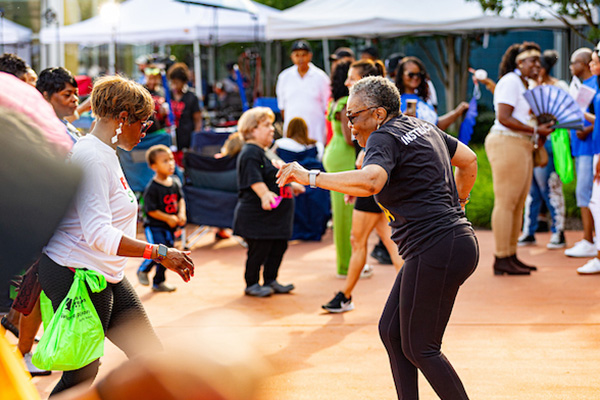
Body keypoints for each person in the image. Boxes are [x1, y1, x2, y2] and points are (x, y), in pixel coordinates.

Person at [277, 76, 479, 399]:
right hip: (452, 242)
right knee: (393, 332)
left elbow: (372, 181)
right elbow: (469, 160)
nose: (349, 124)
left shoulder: (382, 139)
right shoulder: (421, 127)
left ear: (379, 114)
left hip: (437, 247)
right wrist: (459, 202)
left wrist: (310, 176)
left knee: (421, 346)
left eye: (354, 116)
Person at [38, 75, 194, 396]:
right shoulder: (93, 156)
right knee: (82, 374)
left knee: (150, 357)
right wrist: (161, 253)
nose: (145, 131)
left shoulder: (106, 152)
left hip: (104, 272)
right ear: (122, 118)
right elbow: (99, 234)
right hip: (75, 273)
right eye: (144, 123)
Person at [322, 59, 404, 313]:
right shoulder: (381, 118)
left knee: (359, 239)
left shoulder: (374, 122)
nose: (347, 82)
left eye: (352, 78)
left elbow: (367, 151)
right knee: (390, 242)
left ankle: (345, 295)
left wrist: (353, 184)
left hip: (373, 182)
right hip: (374, 181)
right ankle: (411, 292)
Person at [485, 42, 554, 275]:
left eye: (539, 60)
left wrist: (540, 130)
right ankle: (501, 257)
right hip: (506, 142)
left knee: (517, 203)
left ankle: (511, 255)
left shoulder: (527, 84)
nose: (537, 64)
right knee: (507, 202)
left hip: (521, 145)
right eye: (532, 60)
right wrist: (536, 131)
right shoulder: (511, 81)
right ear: (519, 63)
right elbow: (503, 117)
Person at [233, 107, 299, 297]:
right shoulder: (250, 152)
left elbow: (275, 175)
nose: (272, 129)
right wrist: (264, 194)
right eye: (267, 125)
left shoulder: (267, 152)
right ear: (252, 129)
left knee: (278, 247)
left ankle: (271, 279)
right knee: (259, 250)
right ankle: (252, 282)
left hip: (277, 218)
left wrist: (293, 185)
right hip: (258, 217)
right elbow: (254, 178)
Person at [518, 49, 568, 249]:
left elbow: (566, 114)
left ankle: (558, 231)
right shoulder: (528, 85)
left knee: (550, 185)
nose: (535, 70)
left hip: (551, 141)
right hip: (531, 141)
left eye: (538, 66)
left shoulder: (559, 86)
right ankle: (529, 232)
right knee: (532, 190)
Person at [137, 145, 186, 292]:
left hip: (169, 228)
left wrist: (181, 214)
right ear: (154, 166)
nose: (170, 163)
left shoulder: (175, 181)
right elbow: (150, 210)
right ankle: (143, 269)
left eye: (171, 159)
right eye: (165, 161)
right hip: (154, 226)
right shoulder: (152, 188)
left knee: (167, 254)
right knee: (160, 251)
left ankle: (159, 282)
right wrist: (168, 218)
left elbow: (181, 199)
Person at [322, 60, 356, 280]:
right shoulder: (345, 102)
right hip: (343, 155)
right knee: (345, 216)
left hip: (334, 153)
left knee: (343, 215)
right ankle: (346, 266)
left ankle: (349, 263)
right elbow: (349, 138)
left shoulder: (336, 100)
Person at [565, 48, 597, 258]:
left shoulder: (595, 85)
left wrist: (586, 129)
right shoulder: (583, 86)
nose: (570, 67)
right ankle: (590, 239)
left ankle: (589, 240)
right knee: (586, 194)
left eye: (574, 62)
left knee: (585, 194)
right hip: (581, 147)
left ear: (585, 63)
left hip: (590, 147)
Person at [276, 40, 331, 145]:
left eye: (304, 55)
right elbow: (282, 108)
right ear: (292, 56)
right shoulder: (284, 77)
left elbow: (327, 107)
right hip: (292, 132)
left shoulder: (321, 77)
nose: (300, 58)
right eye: (297, 55)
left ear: (310, 55)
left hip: (315, 131)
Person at [394, 56, 469, 130]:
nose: (415, 77)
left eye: (419, 74)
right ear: (401, 75)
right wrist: (402, 121)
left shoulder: (424, 99)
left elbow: (436, 126)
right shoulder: (396, 102)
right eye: (411, 74)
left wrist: (457, 112)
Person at [576, 46, 600, 274]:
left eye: (594, 61)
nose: (592, 66)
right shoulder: (586, 87)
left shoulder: (594, 86)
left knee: (593, 199)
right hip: (590, 148)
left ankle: (593, 246)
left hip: (594, 149)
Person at [36, 67, 81, 144]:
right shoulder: (45, 131)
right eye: (67, 95)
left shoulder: (65, 125)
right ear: (46, 96)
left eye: (76, 94)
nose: (75, 99)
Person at [167, 62, 202, 153]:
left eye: (177, 83)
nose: (174, 86)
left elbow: (197, 120)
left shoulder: (191, 97)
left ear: (184, 82)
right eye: (172, 82)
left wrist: (194, 142)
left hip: (187, 138)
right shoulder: (168, 95)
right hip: (171, 139)